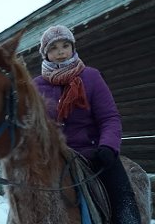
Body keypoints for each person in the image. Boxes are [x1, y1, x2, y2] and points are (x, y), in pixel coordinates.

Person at [33, 25, 141, 223]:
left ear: (73, 48)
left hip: (93, 154)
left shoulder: (90, 76)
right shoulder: (36, 86)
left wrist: (107, 146)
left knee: (122, 199)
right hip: (52, 158)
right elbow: (31, 125)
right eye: (53, 47)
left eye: (65, 45)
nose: (60, 52)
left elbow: (109, 117)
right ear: (45, 53)